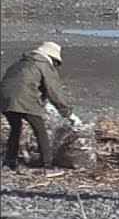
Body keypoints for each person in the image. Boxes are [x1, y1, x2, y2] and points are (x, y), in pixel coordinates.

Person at [0, 42, 79, 170]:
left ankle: (9, 161)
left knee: (15, 128)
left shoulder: (22, 62)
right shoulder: (43, 64)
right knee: (40, 130)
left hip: (4, 99)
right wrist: (68, 113)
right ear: (52, 57)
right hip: (24, 98)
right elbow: (54, 91)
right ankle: (47, 164)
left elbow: (15, 82)